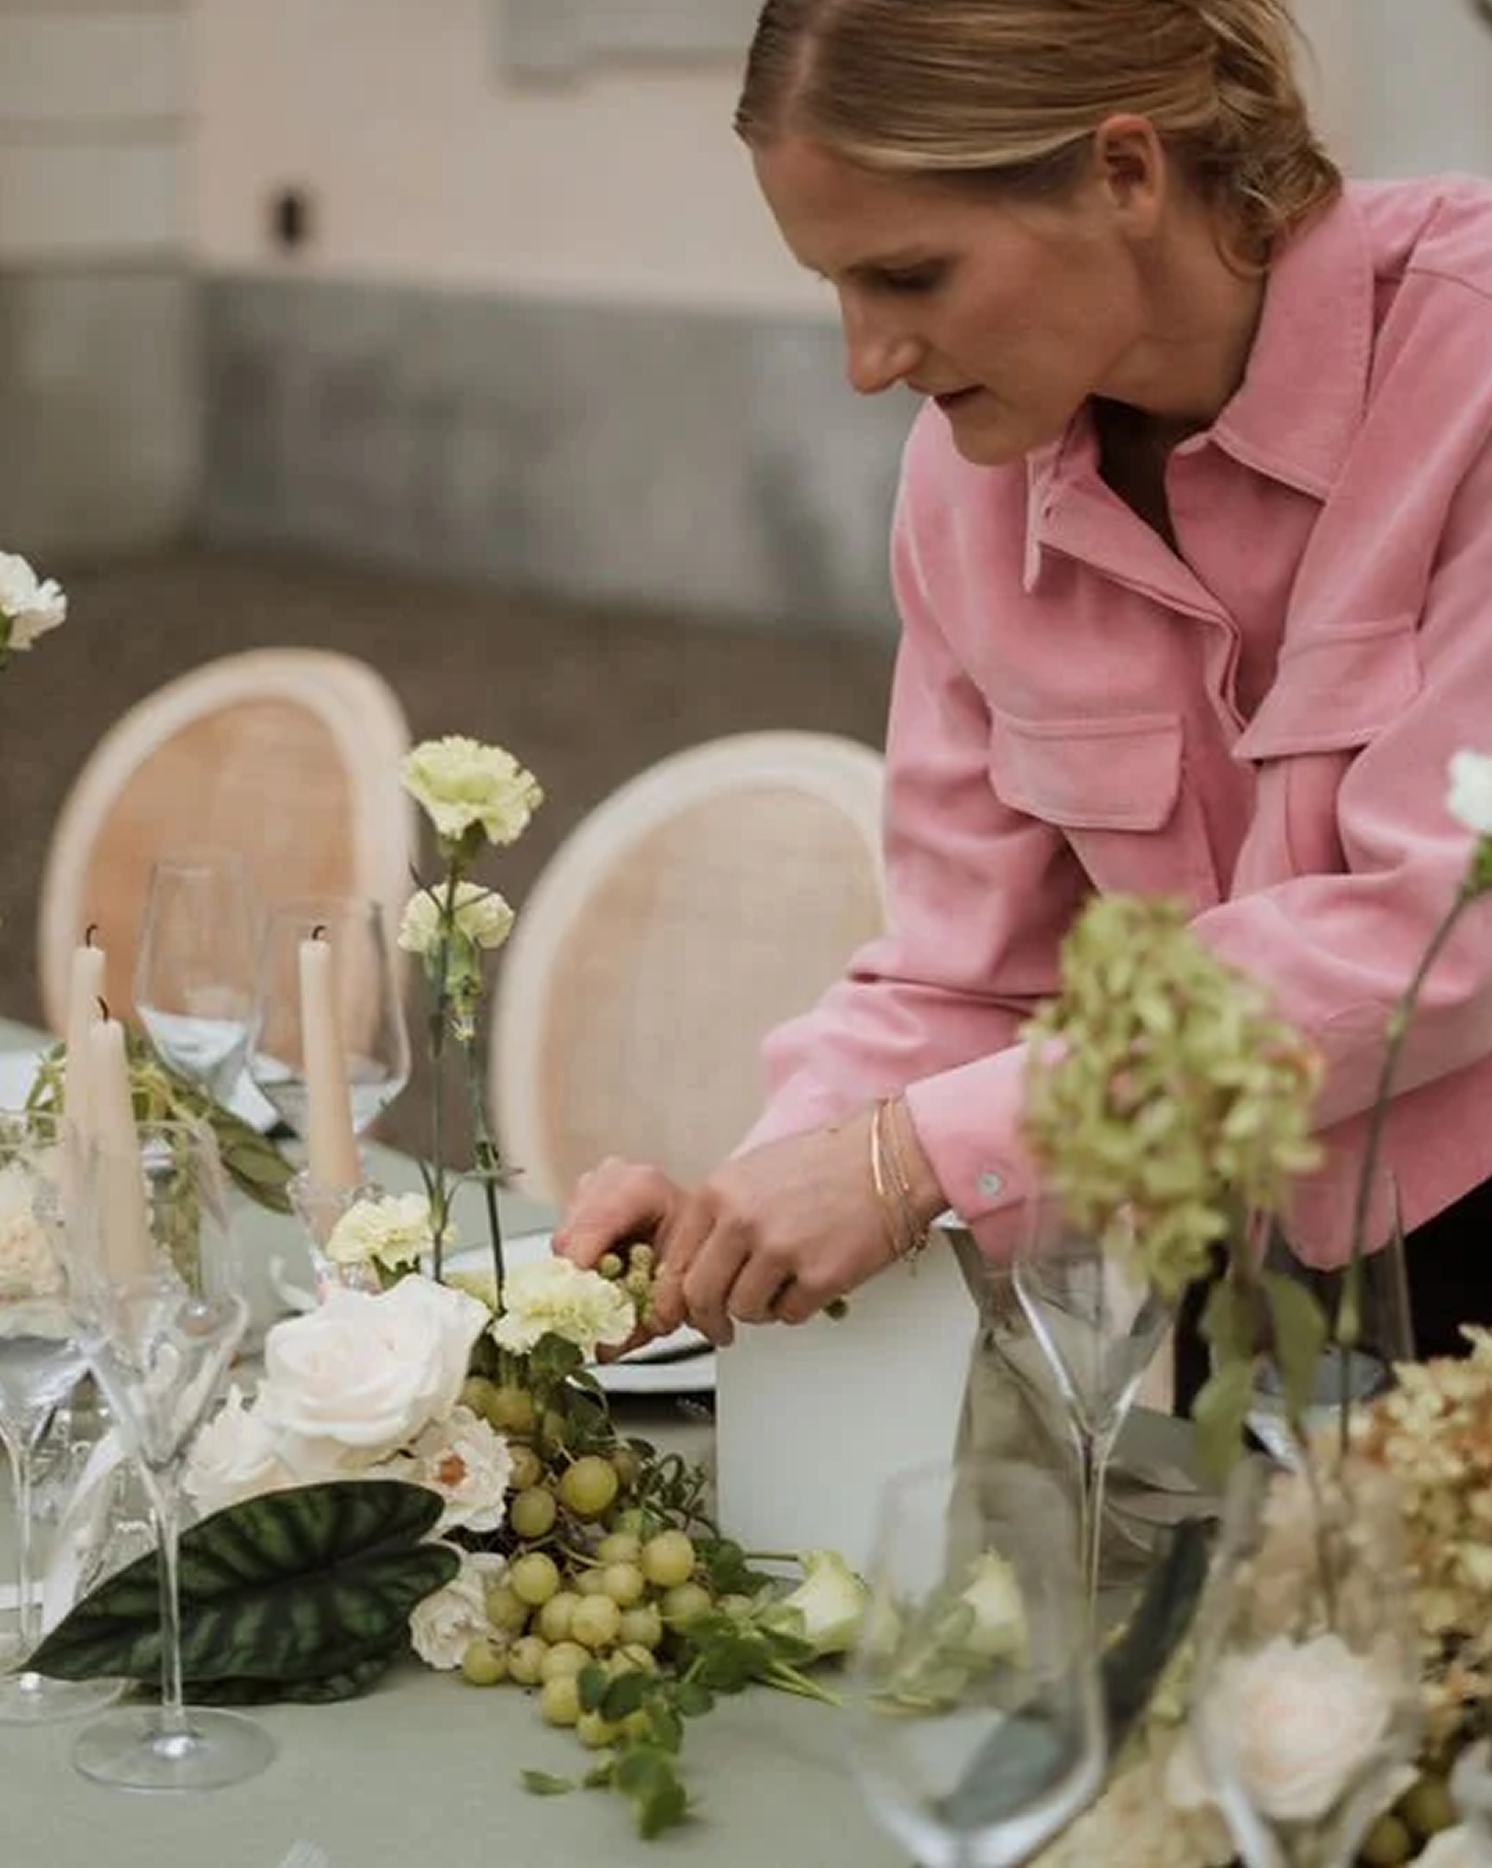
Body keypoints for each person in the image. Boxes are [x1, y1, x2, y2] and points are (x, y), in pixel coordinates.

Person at [555, 0, 1492, 1375]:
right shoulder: (969, 478)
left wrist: (917, 1153)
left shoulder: (1473, 362)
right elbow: (964, 972)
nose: (866, 363)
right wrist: (750, 1201)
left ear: (1125, 171)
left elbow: (1445, 933)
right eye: (838, 287)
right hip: (1230, 1271)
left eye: (911, 278)